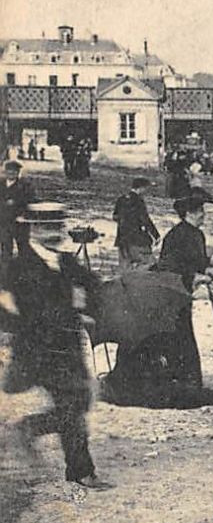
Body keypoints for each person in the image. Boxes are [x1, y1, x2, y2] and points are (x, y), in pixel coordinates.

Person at [0, 203, 108, 488]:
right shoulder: (17, 266)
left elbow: (95, 285)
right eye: (46, 227)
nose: (53, 233)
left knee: (81, 402)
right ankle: (81, 472)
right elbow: (4, 310)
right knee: (72, 406)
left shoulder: (67, 261)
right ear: (32, 229)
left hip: (68, 347)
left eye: (57, 227)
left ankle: (30, 427)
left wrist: (87, 310)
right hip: (38, 350)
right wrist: (20, 326)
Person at [154, 192, 213, 389]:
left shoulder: (198, 234)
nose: (204, 215)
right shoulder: (175, 236)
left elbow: (198, 259)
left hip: (185, 293)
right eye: (200, 211)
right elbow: (169, 266)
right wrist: (193, 276)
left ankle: (188, 377)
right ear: (188, 213)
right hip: (170, 292)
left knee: (184, 331)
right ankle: (179, 379)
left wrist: (207, 267)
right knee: (177, 333)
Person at [113, 177, 161, 270]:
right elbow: (145, 219)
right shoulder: (138, 201)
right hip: (136, 238)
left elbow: (115, 216)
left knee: (125, 267)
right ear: (141, 188)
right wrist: (155, 235)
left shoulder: (121, 199)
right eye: (146, 188)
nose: (147, 191)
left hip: (122, 238)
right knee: (148, 264)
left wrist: (124, 223)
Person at [1, 160, 36, 265]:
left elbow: (30, 200)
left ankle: (23, 273)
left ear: (18, 173)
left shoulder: (25, 186)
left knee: (23, 247)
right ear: (5, 172)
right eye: (9, 171)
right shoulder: (1, 184)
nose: (11, 173)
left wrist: (17, 205)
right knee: (6, 248)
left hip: (20, 222)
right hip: (4, 222)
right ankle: (5, 275)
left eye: (14, 171)